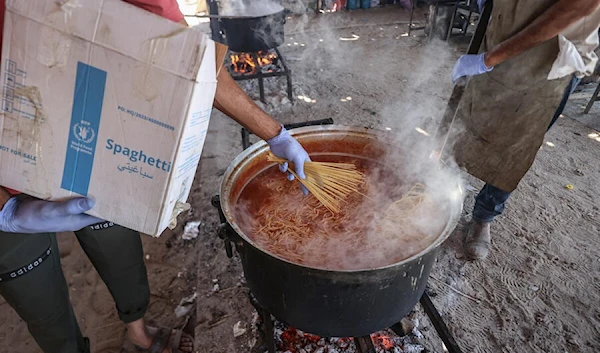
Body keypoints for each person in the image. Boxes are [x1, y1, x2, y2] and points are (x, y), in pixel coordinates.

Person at [0, 1, 310, 352]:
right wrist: (6, 212)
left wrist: (275, 134)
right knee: (37, 295)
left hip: (95, 145)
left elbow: (194, 63)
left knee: (119, 251)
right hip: (6, 167)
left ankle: (138, 331)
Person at [450, 0, 600, 260]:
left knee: (514, 147)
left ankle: (483, 217)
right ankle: (438, 189)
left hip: (549, 63)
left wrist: (488, 60)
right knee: (468, 121)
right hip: (499, 40)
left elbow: (576, 7)